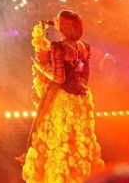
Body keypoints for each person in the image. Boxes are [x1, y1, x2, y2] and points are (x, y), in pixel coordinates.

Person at [20, 10, 104, 183]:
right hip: (81, 101)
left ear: (64, 26)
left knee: (59, 141)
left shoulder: (59, 47)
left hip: (63, 100)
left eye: (58, 19)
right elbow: (84, 76)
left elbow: (59, 78)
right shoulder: (84, 46)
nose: (55, 21)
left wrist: (40, 66)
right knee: (76, 142)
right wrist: (80, 90)